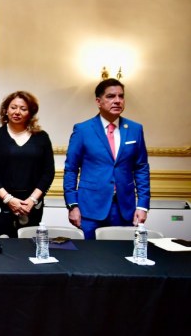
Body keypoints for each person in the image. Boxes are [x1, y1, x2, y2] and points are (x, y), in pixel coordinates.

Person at [64, 78, 150, 239]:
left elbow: (141, 168)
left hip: (125, 209)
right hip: (90, 209)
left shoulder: (135, 129)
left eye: (121, 96)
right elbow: (71, 169)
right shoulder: (83, 130)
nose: (117, 101)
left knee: (122, 257)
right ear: (98, 101)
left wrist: (143, 206)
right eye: (111, 96)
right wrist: (72, 205)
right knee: (89, 258)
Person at [0, 91, 55, 238]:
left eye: (23, 108)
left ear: (30, 113)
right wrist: (8, 199)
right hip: (1, 201)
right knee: (2, 245)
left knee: (28, 247)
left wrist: (32, 200)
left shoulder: (41, 137)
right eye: (13, 107)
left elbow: (48, 173)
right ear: (6, 110)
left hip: (31, 204)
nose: (17, 112)